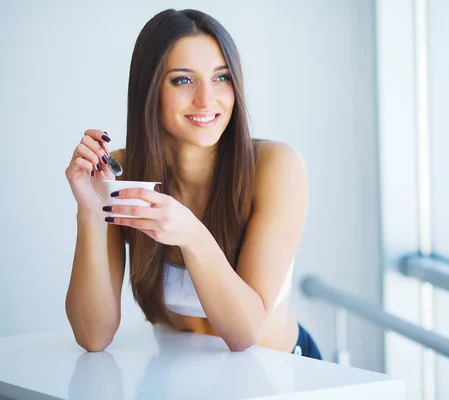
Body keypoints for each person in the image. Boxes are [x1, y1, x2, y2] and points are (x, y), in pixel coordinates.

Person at [64, 8, 321, 360]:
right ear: (150, 89)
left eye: (221, 77)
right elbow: (93, 335)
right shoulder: (120, 171)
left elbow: (243, 332)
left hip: (281, 377)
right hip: (181, 382)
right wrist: (91, 212)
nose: (206, 99)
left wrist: (190, 233)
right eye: (183, 80)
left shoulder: (277, 167)